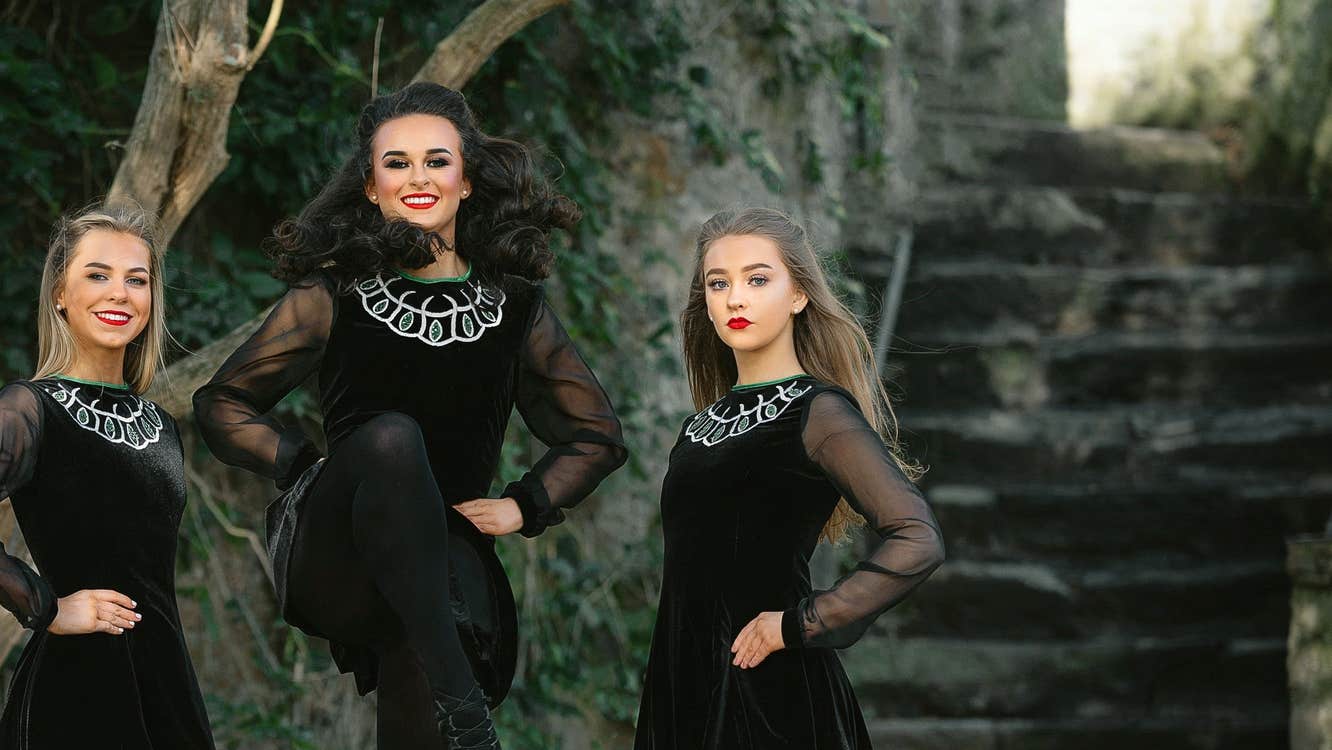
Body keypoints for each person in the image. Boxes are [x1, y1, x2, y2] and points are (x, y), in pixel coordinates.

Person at [193, 82, 626, 749]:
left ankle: (446, 700)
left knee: (418, 703)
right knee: (393, 439)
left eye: (436, 160)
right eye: (396, 163)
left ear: (467, 181)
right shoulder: (333, 292)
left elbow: (596, 434)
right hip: (338, 551)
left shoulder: (515, 305)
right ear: (371, 187)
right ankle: (469, 716)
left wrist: (525, 505)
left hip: (445, 565)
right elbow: (220, 404)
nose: (417, 177)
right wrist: (305, 464)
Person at [634, 207, 946, 749]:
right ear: (704, 302)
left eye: (757, 279)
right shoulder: (697, 429)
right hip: (682, 690)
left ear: (798, 295)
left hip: (772, 700)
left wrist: (799, 623)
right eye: (718, 283)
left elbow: (918, 539)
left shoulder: (818, 413)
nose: (735, 297)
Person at [0, 203, 216, 749]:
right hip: (79, 688)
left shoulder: (162, 426)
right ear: (59, 293)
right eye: (97, 275)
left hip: (167, 684)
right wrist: (45, 605)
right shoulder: (28, 408)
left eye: (136, 280)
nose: (119, 293)